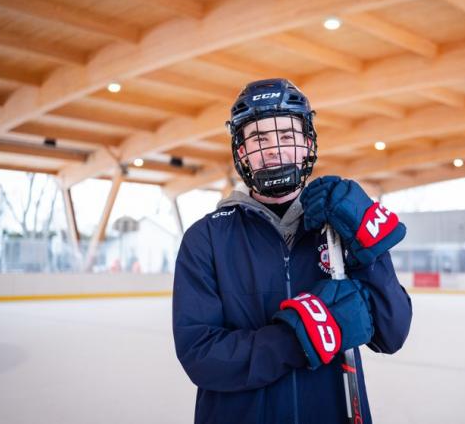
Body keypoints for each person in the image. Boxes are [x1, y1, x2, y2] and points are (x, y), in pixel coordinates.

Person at [172, 79, 412, 424]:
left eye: (287, 136)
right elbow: (201, 355)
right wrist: (298, 338)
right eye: (259, 139)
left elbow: (392, 333)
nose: (274, 150)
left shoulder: (340, 226)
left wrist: (368, 245)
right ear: (242, 153)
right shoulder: (207, 237)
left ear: (307, 144)